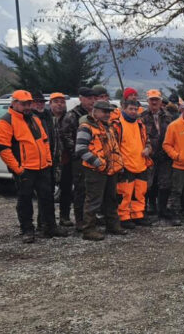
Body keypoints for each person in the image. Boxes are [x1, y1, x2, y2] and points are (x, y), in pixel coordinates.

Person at [0, 90, 69, 243]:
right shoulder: (6, 121)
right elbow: (3, 149)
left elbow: (44, 140)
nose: (27, 106)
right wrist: (17, 168)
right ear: (14, 103)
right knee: (25, 200)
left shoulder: (34, 118)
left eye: (29, 103)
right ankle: (27, 230)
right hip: (25, 169)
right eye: (23, 103)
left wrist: (48, 161)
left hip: (42, 167)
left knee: (47, 198)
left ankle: (50, 227)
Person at [75, 100, 126, 241]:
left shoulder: (108, 127)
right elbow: (80, 149)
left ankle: (113, 226)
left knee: (111, 199)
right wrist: (98, 163)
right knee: (93, 201)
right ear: (95, 111)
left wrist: (118, 165)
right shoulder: (86, 127)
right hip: (95, 171)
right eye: (104, 111)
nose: (107, 114)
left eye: (109, 112)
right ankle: (88, 230)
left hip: (110, 170)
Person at [112, 100, 152, 229]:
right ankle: (123, 217)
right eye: (131, 109)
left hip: (140, 163)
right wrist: (118, 163)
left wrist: (148, 148)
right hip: (125, 165)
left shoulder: (140, 124)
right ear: (124, 108)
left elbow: (147, 140)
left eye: (136, 109)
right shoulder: (117, 125)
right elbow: (113, 146)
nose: (134, 111)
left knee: (139, 192)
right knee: (125, 193)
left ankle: (138, 215)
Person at [60, 87, 96, 230]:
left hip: (93, 157)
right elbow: (65, 135)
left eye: (94, 98)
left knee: (92, 190)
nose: (92, 101)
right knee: (80, 190)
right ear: (81, 98)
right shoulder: (72, 115)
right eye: (88, 98)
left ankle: (90, 218)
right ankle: (80, 220)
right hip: (79, 159)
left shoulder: (95, 114)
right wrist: (77, 151)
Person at [141, 89, 174, 219]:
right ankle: (149, 206)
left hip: (165, 155)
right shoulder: (142, 117)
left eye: (157, 99)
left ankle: (162, 209)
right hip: (148, 155)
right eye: (152, 99)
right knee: (148, 183)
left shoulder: (169, 116)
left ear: (161, 101)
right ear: (148, 101)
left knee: (165, 183)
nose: (154, 102)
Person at [31, 92, 60, 229]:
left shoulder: (49, 116)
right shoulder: (28, 118)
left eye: (42, 102)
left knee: (47, 195)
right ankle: (29, 227)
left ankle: (46, 224)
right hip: (32, 163)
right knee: (26, 198)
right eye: (36, 102)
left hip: (49, 161)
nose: (40, 104)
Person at [49, 92, 71, 226]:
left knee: (66, 190)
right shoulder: (45, 119)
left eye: (62, 102)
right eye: (56, 101)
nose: (59, 104)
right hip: (50, 161)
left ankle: (65, 217)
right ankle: (49, 220)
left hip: (66, 159)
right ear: (50, 104)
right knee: (48, 191)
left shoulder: (69, 118)